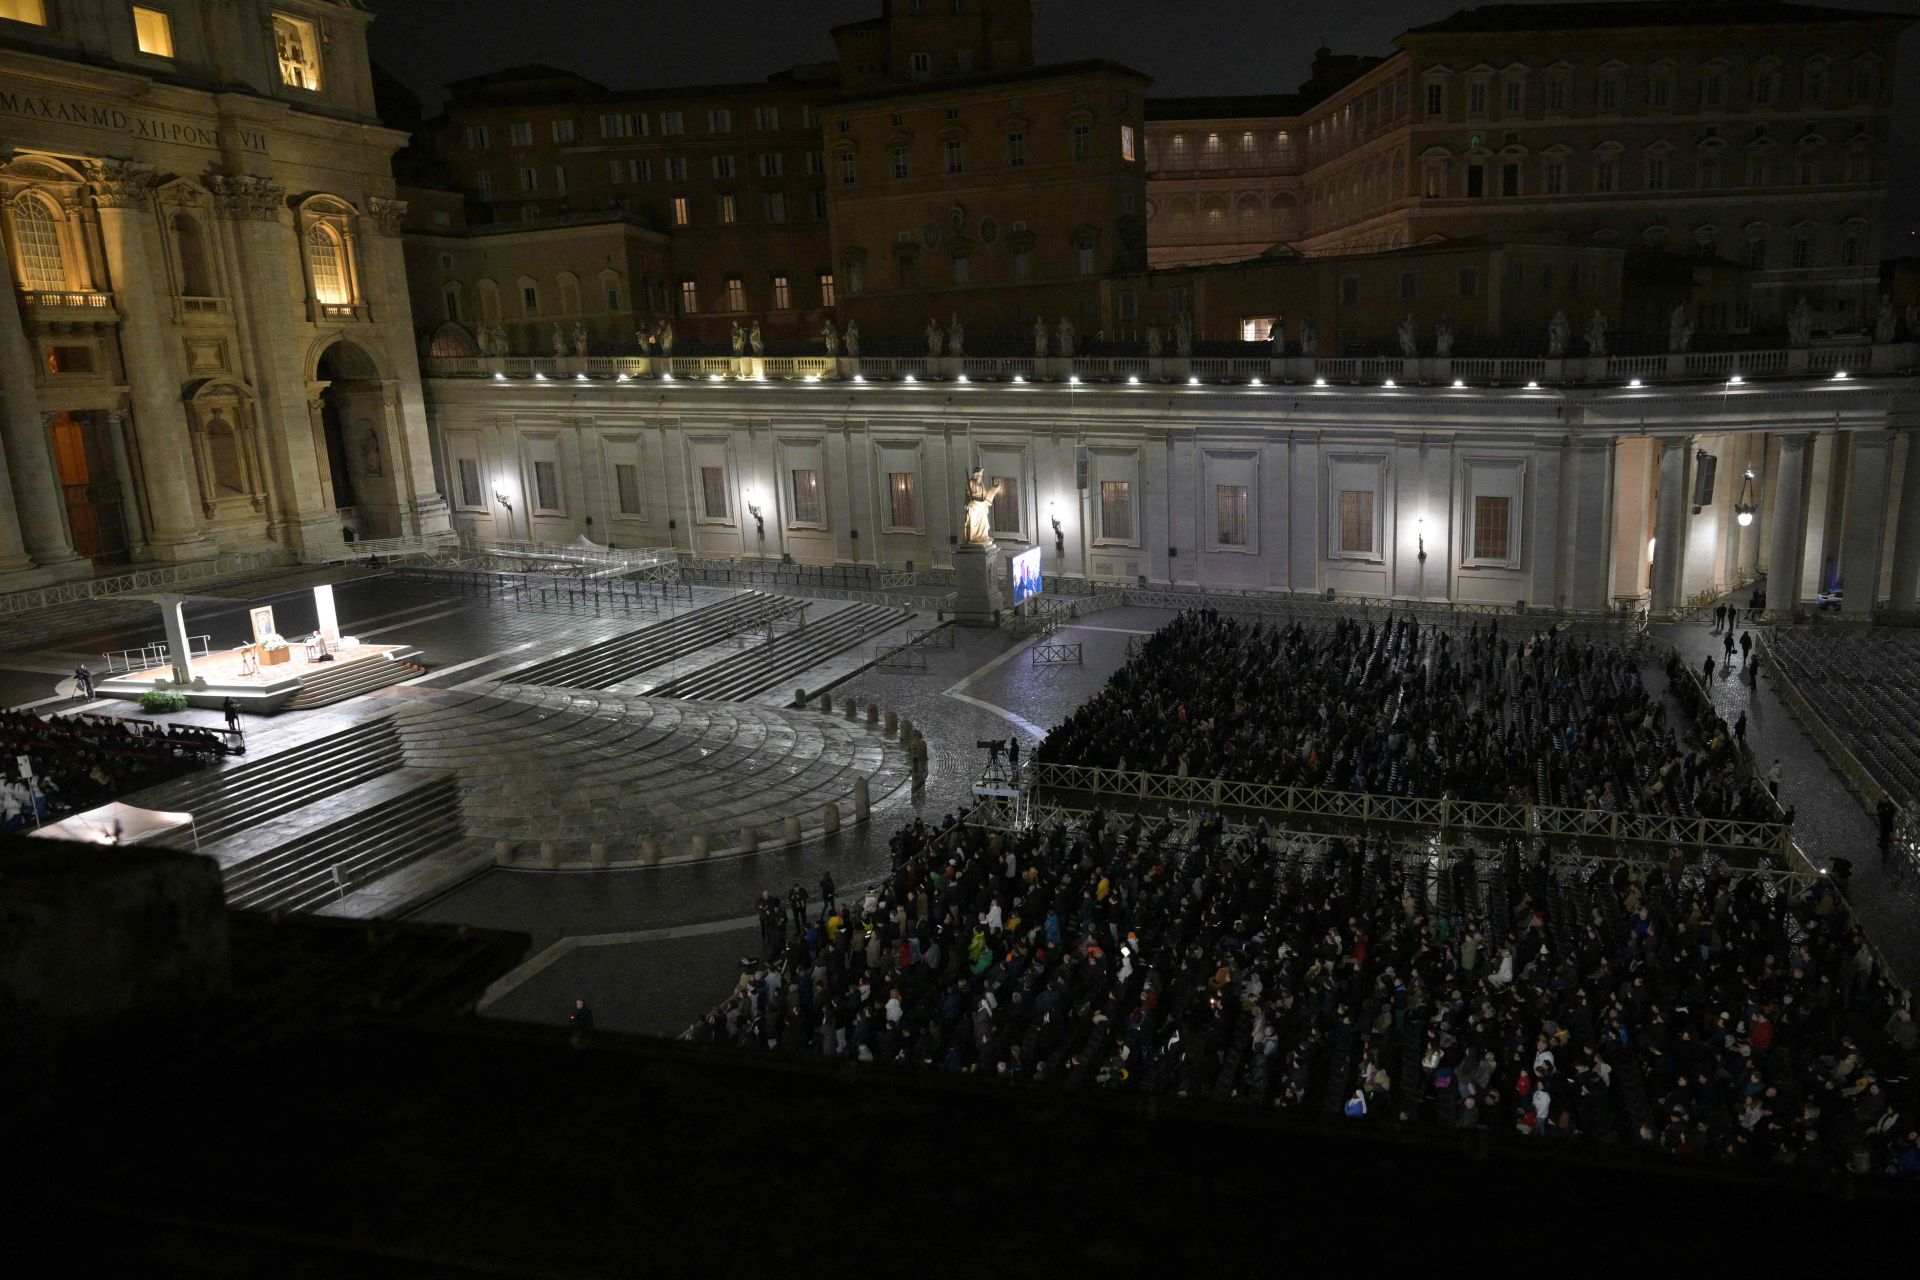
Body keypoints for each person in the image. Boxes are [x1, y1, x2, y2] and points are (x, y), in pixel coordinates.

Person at [1877, 797, 1897, 867]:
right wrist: (1889, 803)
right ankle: (1886, 860)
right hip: (1886, 831)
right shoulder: (1886, 815)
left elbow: (1879, 807)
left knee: (1884, 843)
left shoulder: (1881, 812)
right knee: (1885, 846)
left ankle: (1885, 859)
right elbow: (1893, 810)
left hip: (1884, 830)